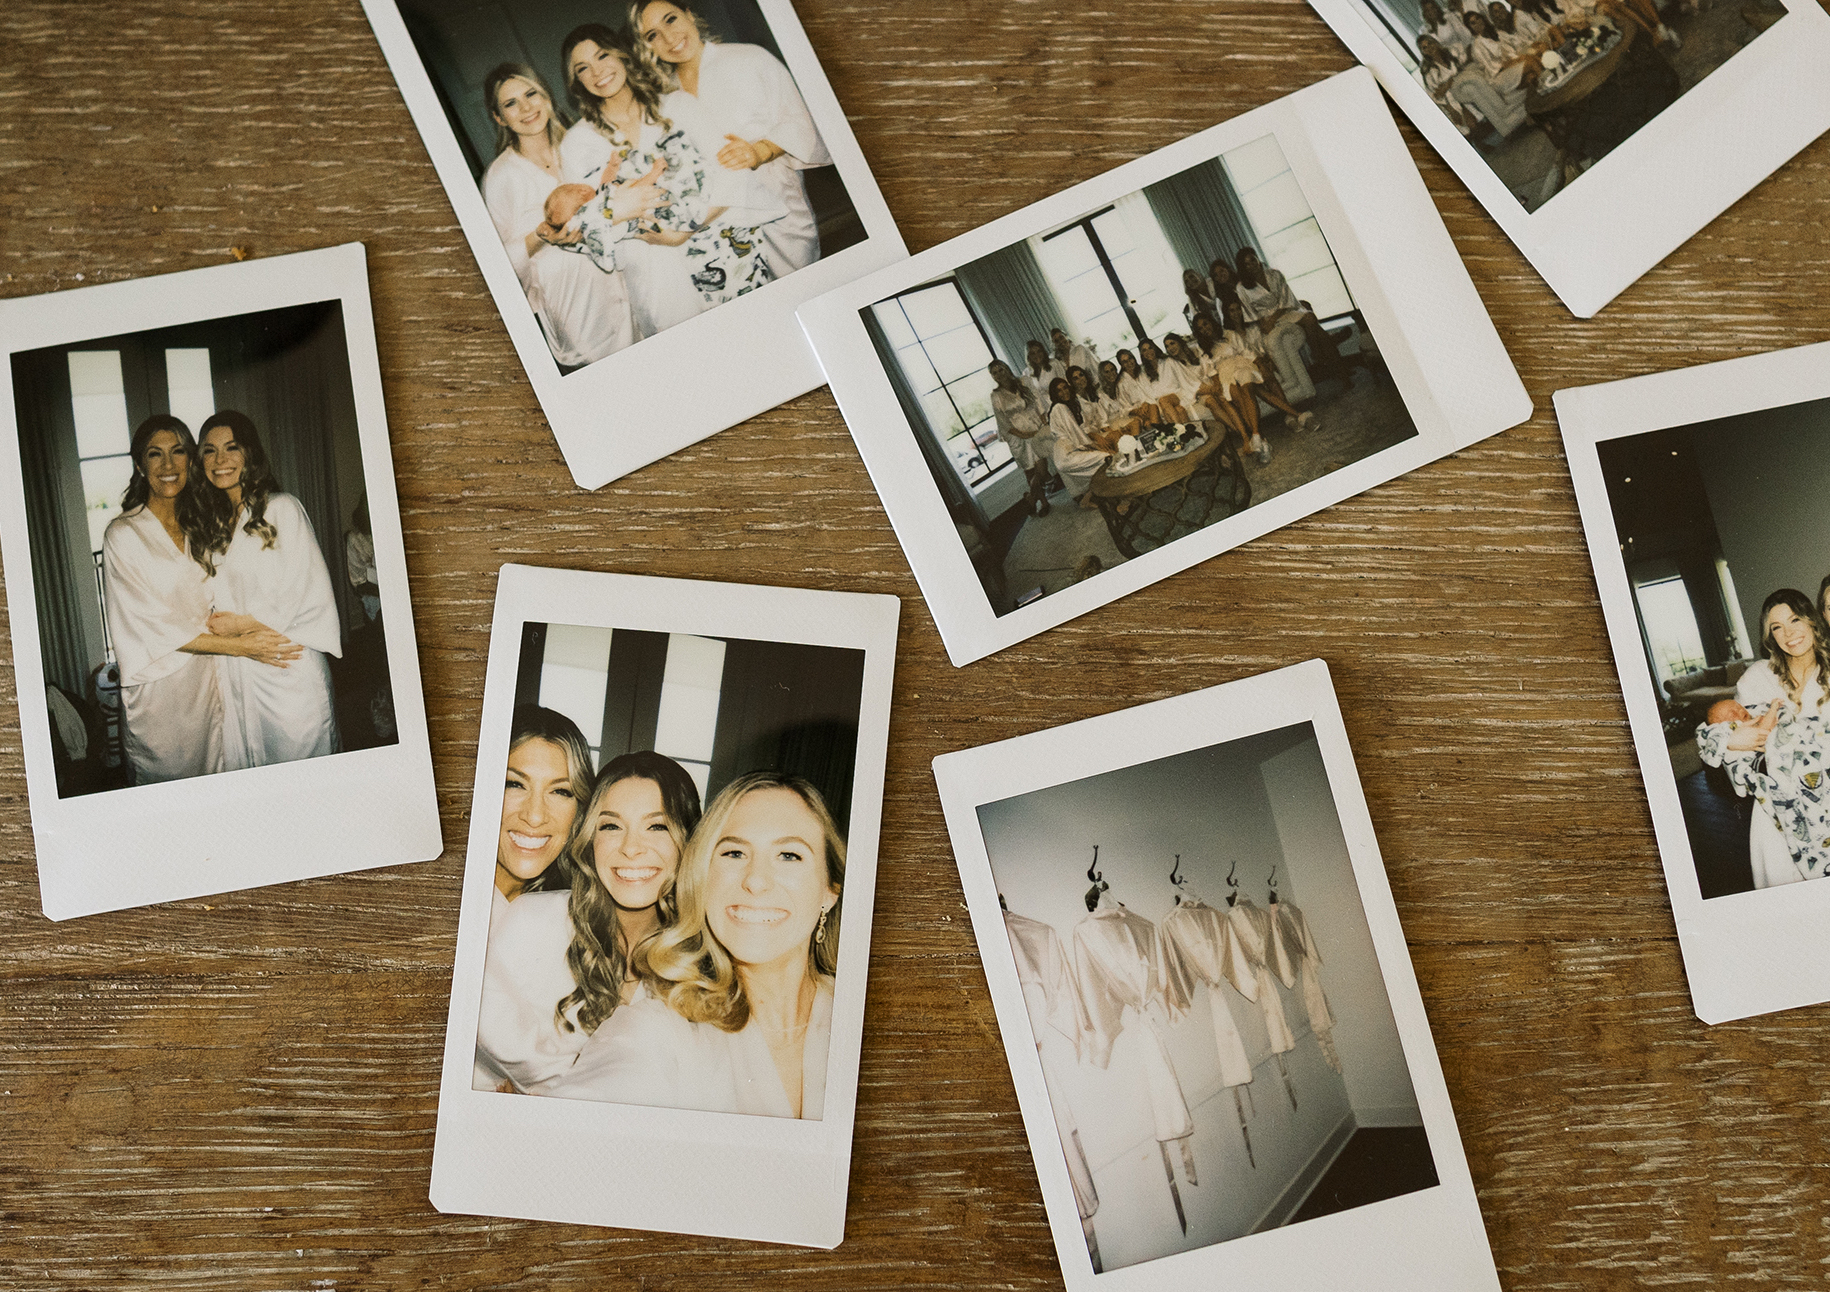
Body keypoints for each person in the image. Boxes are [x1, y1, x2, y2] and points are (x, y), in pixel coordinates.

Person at [554, 771, 846, 1120]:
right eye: (734, 852)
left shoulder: (856, 1023)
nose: (755, 880)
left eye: (789, 856)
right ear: (703, 877)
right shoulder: (660, 1032)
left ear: (831, 889)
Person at [476, 748, 702, 1094]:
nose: (631, 848)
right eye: (611, 825)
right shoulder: (532, 920)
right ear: (590, 838)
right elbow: (486, 1039)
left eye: (657, 826)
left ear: (688, 841)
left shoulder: (705, 961)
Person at [101, 415, 299, 784]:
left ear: (191, 461)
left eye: (178, 452)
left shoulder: (202, 523)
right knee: (170, 782)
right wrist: (242, 647)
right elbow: (150, 626)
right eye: (155, 454)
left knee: (219, 777)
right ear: (140, 465)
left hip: (211, 679)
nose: (168, 465)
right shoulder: (123, 534)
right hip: (161, 688)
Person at [557, 25, 774, 336]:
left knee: (759, 333)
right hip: (657, 270)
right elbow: (590, 219)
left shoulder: (677, 106)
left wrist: (684, 232)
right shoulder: (578, 142)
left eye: (602, 55)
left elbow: (729, 172)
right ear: (576, 81)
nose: (597, 71)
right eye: (583, 68)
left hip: (722, 242)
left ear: (622, 55)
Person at [633, 0, 832, 276]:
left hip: (777, 210)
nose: (668, 37)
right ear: (647, 46)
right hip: (712, 228)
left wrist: (760, 151)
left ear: (689, 15)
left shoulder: (749, 58)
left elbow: (799, 120)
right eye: (652, 35)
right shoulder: (664, 98)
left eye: (671, 19)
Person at [479, 62, 657, 367]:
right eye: (510, 103)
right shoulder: (500, 178)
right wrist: (541, 234)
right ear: (499, 117)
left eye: (531, 94)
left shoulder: (580, 144)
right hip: (580, 320)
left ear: (546, 96)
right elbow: (495, 266)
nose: (525, 108)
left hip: (631, 297)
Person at [194, 411, 342, 770]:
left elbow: (303, 589)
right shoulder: (214, 525)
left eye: (231, 448)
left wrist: (240, 625)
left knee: (305, 769)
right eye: (209, 451)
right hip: (242, 671)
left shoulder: (281, 509)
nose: (220, 460)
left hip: (286, 664)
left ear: (250, 454)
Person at [1696, 591, 1830, 888]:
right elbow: (1723, 729)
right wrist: (1733, 741)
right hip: (1775, 813)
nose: (1789, 632)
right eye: (1776, 627)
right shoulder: (1757, 677)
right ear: (1769, 636)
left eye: (1795, 619)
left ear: (1812, 620)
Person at [1191, 310, 1315, 464]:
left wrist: (1260, 365)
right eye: (1200, 329)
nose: (1204, 329)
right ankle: (1298, 415)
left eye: (1205, 324)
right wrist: (1218, 387)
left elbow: (1246, 351)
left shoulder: (1229, 334)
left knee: (1247, 388)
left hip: (1242, 364)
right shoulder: (1203, 348)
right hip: (1226, 373)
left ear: (1211, 322)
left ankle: (1257, 437)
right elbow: (1211, 370)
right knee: (1252, 393)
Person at [1235, 247, 1326, 405]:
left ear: (1257, 258)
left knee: (1310, 318)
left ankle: (1316, 354)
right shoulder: (1242, 287)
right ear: (1243, 268)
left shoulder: (1275, 274)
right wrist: (1264, 323)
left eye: (1252, 260)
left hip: (1283, 310)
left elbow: (1287, 299)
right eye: (1246, 264)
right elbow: (1249, 312)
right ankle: (1323, 354)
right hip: (1263, 319)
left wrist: (1274, 317)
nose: (1251, 265)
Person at [988, 359, 1051, 517]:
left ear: (1007, 369)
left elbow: (1038, 403)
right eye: (994, 372)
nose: (999, 374)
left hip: (1034, 428)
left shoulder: (1024, 382)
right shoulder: (996, 395)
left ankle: (1031, 498)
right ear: (992, 377)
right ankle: (1043, 502)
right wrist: (1023, 435)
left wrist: (1044, 424)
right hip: (1017, 438)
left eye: (1000, 370)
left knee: (1042, 471)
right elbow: (1002, 422)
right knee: (1030, 472)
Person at [1044, 376, 1113, 508]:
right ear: (1054, 394)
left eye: (1065, 388)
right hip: (1066, 455)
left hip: (1069, 450)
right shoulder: (1059, 407)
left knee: (1099, 466)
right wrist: (1095, 446)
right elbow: (1075, 432)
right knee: (1106, 458)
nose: (1064, 392)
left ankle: (1086, 500)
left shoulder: (1066, 406)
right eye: (1059, 391)